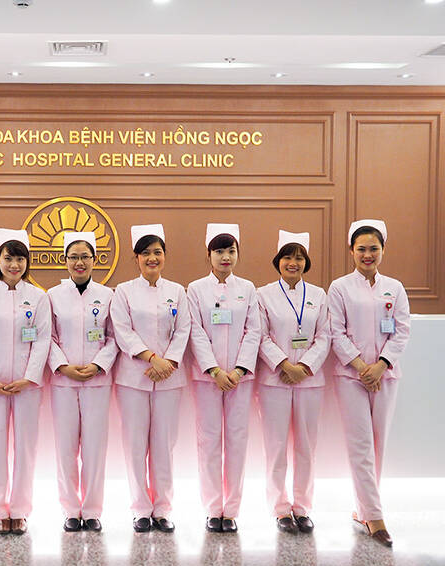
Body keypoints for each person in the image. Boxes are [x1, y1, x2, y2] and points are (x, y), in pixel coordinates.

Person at [328, 219, 410, 548]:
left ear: (383, 250)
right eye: (361, 249)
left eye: (373, 248)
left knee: (378, 445)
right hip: (351, 376)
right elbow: (335, 332)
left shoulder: (395, 287)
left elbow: (401, 330)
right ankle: (375, 517)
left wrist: (381, 365)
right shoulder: (340, 288)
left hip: (385, 375)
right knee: (361, 445)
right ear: (351, 251)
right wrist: (363, 367)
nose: (367, 254)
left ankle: (362, 509)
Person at [109, 224, 191, 533]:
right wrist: (151, 358)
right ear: (136, 258)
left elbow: (183, 330)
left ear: (164, 256)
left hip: (169, 377)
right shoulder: (124, 291)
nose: (152, 258)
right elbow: (122, 330)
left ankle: (163, 508)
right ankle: (141, 508)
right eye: (145, 253)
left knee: (164, 443)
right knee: (135, 443)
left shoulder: (177, 292)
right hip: (134, 377)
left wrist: (167, 361)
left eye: (157, 252)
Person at [0, 228, 51, 536]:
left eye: (20, 259)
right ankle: (0, 510)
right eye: (8, 258)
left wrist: (29, 377)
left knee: (25, 446)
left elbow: (42, 340)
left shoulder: (39, 297)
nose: (14, 265)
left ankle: (20, 510)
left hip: (27, 386)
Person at [187, 223, 260, 534]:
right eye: (219, 251)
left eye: (231, 250)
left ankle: (231, 510)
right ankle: (212, 507)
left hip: (239, 379)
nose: (225, 256)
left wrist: (239, 370)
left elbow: (253, 331)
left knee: (237, 440)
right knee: (209, 441)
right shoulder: (195, 289)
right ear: (209, 255)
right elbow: (196, 331)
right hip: (207, 378)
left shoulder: (248, 289)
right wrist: (215, 370)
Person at [256, 230, 330, 534]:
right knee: (276, 446)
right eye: (287, 256)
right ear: (278, 260)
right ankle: (280, 508)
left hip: (309, 381)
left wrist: (304, 367)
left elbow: (324, 336)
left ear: (306, 262)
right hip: (275, 379)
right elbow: (260, 336)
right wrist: (284, 364)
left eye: (299, 257)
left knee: (306, 446)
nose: (293, 262)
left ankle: (302, 506)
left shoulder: (319, 295)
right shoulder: (263, 295)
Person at [47, 232, 118, 532]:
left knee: (94, 448)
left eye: (85, 257)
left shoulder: (108, 295)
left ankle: (91, 510)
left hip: (96, 381)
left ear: (94, 260)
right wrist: (63, 366)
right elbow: (47, 337)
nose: (79, 262)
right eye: (73, 257)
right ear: (65, 261)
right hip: (64, 382)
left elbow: (114, 337)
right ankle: (70, 510)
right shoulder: (52, 296)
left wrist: (97, 364)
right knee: (65, 448)